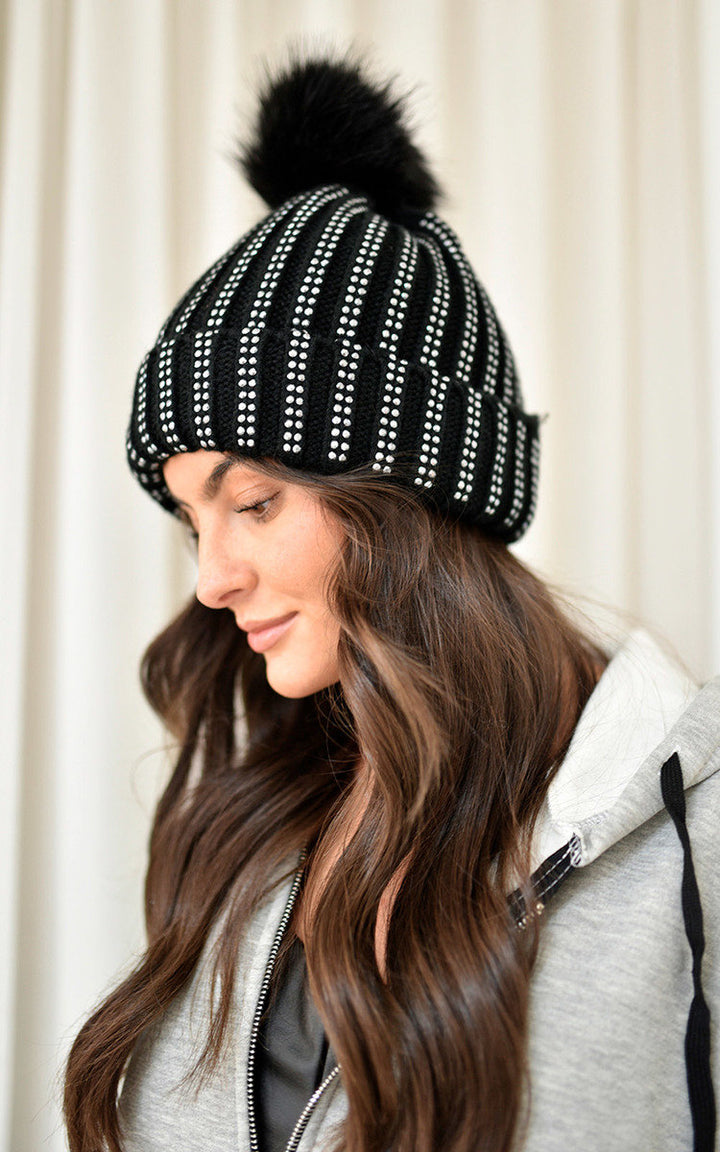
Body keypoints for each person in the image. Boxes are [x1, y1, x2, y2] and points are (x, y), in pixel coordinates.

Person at [63, 52, 719, 1152]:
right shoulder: (242, 836)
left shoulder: (689, 838)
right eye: (191, 521)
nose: (210, 579)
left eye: (255, 503)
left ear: (414, 496)